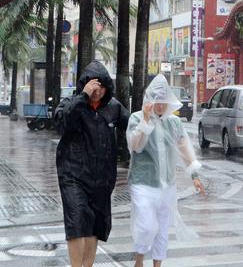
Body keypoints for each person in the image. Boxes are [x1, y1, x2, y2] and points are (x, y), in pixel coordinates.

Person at [55, 61, 130, 267]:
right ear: (85, 85)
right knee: (77, 222)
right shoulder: (71, 103)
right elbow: (62, 123)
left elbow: (133, 126)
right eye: (93, 86)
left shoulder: (114, 107)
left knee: (95, 225)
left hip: (101, 178)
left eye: (101, 86)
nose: (97, 91)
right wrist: (83, 97)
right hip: (73, 175)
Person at [126, 75, 205, 267]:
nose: (160, 106)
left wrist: (194, 175)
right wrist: (145, 122)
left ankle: (157, 264)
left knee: (162, 229)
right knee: (146, 226)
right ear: (149, 101)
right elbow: (135, 146)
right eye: (156, 102)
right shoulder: (136, 118)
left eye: (164, 102)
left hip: (167, 185)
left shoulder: (174, 123)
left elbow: (185, 149)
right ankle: (139, 259)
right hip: (143, 182)